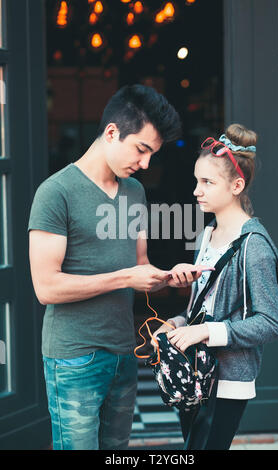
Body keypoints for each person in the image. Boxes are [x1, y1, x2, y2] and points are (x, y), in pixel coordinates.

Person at [28, 84, 208, 450]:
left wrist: (169, 278)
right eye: (141, 149)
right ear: (112, 132)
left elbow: (139, 268)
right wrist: (126, 277)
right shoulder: (55, 192)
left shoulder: (134, 192)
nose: (145, 164)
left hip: (124, 353)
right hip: (74, 358)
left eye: (152, 154)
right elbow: (46, 288)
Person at [153, 123, 278, 450]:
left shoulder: (254, 246)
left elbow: (270, 322)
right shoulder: (205, 235)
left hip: (228, 377)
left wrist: (205, 332)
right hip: (195, 370)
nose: (196, 191)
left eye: (207, 182)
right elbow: (202, 308)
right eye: (196, 181)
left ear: (237, 185)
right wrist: (175, 324)